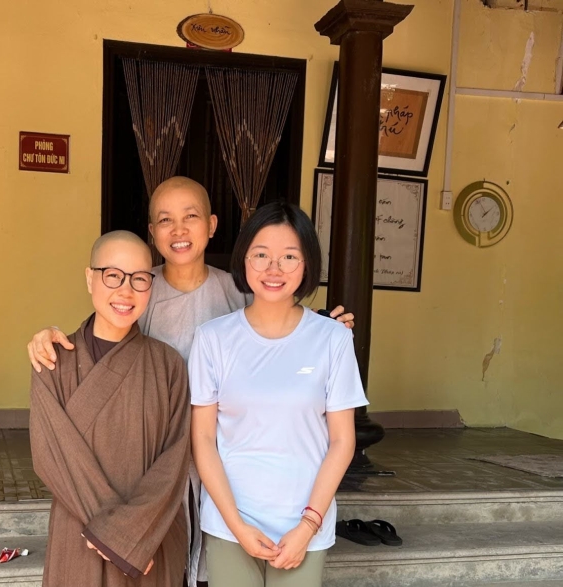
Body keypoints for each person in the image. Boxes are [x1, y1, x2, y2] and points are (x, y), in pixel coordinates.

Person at [27, 177, 355, 585]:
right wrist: (48, 337)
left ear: (213, 225)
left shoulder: (238, 291)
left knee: (204, 561)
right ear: (152, 233)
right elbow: (105, 338)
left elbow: (278, 327)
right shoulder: (141, 287)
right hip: (147, 455)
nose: (179, 230)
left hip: (223, 456)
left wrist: (323, 328)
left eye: (191, 217)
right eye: (165, 220)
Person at [189, 201, 367, 587]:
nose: (274, 269)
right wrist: (235, 525)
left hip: (304, 523)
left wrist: (308, 526)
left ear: (306, 265)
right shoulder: (212, 338)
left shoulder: (333, 340)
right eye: (261, 255)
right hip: (230, 523)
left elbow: (342, 441)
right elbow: (202, 439)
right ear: (244, 259)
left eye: (289, 256)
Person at [30, 230, 191, 587]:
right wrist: (120, 537)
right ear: (90, 278)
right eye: (113, 275)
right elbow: (50, 457)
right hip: (81, 533)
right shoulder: (53, 359)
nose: (126, 291)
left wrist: (134, 534)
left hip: (152, 538)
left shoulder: (168, 365)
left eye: (139, 279)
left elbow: (175, 460)